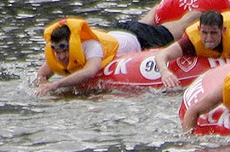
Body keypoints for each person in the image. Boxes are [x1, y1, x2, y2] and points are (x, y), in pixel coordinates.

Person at [34, 12, 201, 95]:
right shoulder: (57, 54)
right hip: (119, 33)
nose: (62, 57)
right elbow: (41, 75)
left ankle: (202, 10)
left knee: (180, 26)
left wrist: (56, 85)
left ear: (72, 44)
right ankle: (157, 11)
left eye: (65, 50)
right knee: (146, 23)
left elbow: (90, 71)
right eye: (57, 51)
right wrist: (42, 84)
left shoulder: (90, 46)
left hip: (139, 38)